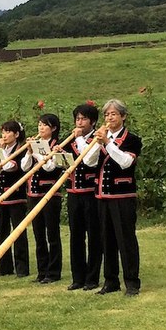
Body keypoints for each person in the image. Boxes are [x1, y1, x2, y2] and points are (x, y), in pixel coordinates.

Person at [85, 99, 143, 296]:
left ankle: (132, 282)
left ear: (123, 117)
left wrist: (108, 143)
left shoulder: (132, 139)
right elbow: (88, 161)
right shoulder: (102, 138)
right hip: (102, 195)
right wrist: (96, 143)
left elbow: (125, 162)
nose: (109, 118)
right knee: (106, 239)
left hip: (122, 195)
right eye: (107, 115)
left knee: (125, 239)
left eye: (113, 114)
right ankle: (111, 281)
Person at [64, 102, 102, 291]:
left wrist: (78, 139)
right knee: (76, 236)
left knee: (94, 235)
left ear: (92, 122)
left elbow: (89, 160)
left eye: (83, 119)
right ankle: (77, 277)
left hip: (91, 194)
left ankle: (92, 277)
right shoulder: (70, 140)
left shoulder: (96, 139)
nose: (79, 122)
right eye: (77, 119)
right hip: (73, 193)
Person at [23, 113, 63, 284]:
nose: (40, 128)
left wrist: (38, 153)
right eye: (39, 124)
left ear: (53, 128)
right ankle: (42, 271)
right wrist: (29, 151)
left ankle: (53, 272)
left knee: (52, 234)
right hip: (33, 194)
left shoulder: (57, 146)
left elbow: (49, 167)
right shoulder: (36, 145)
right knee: (38, 234)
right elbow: (25, 167)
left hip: (50, 195)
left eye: (44, 125)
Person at [0, 121, 30, 277]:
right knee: (2, 232)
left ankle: (22, 268)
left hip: (16, 196)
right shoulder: (1, 150)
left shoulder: (19, 150)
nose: (4, 135)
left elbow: (10, 166)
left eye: (8, 132)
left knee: (18, 233)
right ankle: (5, 266)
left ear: (16, 134)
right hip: (0, 196)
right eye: (3, 131)